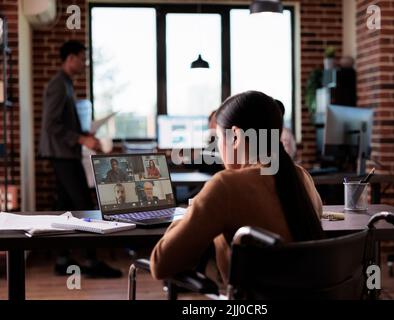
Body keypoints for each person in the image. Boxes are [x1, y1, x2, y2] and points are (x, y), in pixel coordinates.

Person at [150, 91, 324, 284]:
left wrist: (194, 208)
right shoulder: (302, 176)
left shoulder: (225, 186)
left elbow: (161, 264)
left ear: (235, 136)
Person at [39, 40, 121, 278]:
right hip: (62, 155)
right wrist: (82, 140)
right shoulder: (58, 85)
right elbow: (51, 124)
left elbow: (61, 123)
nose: (84, 63)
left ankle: (63, 259)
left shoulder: (66, 84)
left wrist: (85, 135)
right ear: (71, 58)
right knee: (84, 205)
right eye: (82, 58)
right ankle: (92, 261)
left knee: (65, 207)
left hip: (64, 153)